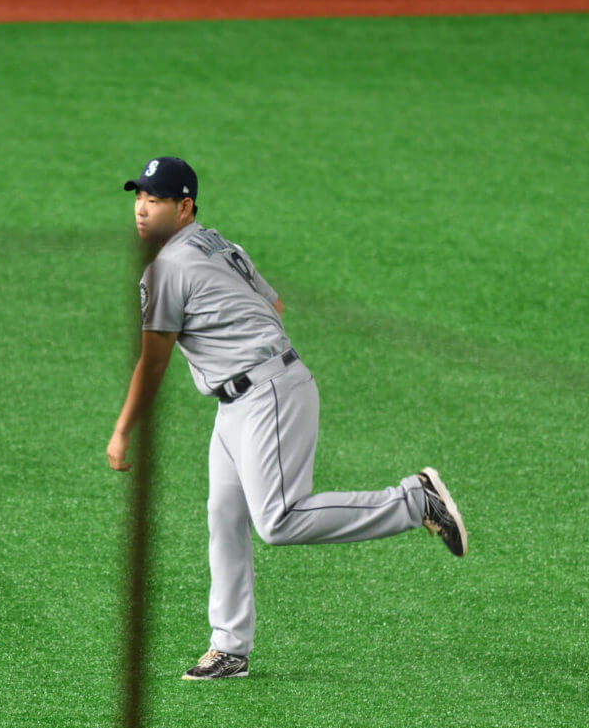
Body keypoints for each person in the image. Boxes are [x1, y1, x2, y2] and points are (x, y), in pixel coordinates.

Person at [107, 156, 468, 680]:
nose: (141, 208)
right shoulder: (217, 244)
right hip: (243, 398)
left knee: (277, 520)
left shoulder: (167, 270)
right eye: (138, 196)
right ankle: (229, 646)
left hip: (265, 392)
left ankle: (414, 501)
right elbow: (273, 305)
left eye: (155, 199)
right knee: (224, 518)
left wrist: (122, 431)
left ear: (183, 208)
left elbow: (154, 359)